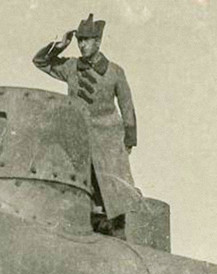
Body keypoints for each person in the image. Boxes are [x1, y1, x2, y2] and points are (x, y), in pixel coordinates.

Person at [33, 13, 141, 234]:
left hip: (109, 137)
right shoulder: (71, 67)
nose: (82, 45)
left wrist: (129, 140)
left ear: (98, 42)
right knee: (80, 181)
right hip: (79, 134)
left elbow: (127, 106)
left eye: (87, 40)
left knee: (114, 186)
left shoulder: (115, 72)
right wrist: (59, 47)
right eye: (80, 41)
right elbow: (40, 62)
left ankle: (117, 229)